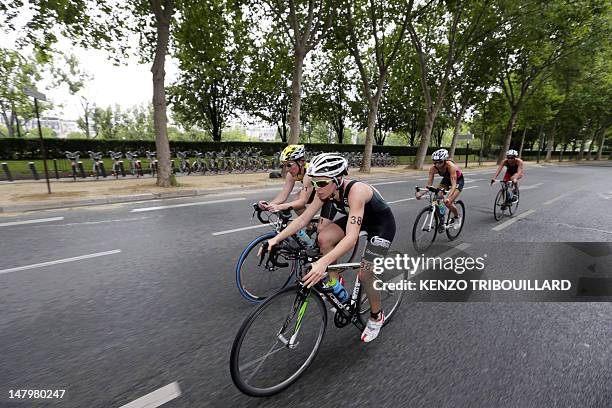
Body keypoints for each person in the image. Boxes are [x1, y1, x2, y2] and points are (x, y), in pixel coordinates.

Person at [259, 153, 396, 343]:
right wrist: (276, 239)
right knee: (323, 238)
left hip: (381, 225)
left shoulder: (356, 191)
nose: (317, 189)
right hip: (358, 220)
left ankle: (376, 315)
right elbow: (303, 219)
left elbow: (351, 238)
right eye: (314, 184)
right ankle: (335, 285)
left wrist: (322, 263)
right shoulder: (325, 191)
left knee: (366, 273)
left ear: (338, 180)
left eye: (321, 183)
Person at [257, 145, 314, 214]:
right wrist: (269, 205)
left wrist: (279, 207)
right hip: (315, 189)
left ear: (301, 162)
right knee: (296, 200)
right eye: (285, 165)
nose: (287, 169)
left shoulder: (309, 173)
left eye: (289, 165)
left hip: (327, 191)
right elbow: (283, 195)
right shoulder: (291, 174)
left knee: (297, 200)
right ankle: (310, 224)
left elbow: (302, 202)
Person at [418, 148, 464, 229]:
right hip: (446, 180)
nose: (437, 165)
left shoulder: (451, 166)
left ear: (445, 160)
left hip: (457, 181)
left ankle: (457, 217)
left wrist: (449, 197)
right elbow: (429, 185)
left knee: (448, 202)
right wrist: (421, 194)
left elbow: (453, 184)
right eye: (435, 162)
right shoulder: (433, 169)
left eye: (440, 162)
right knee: (437, 197)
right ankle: (441, 218)